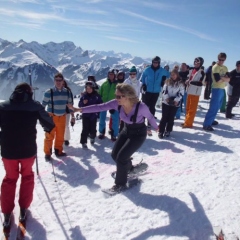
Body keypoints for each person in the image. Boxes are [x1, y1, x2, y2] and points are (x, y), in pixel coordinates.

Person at [68, 83, 158, 193]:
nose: (116, 99)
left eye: (119, 96)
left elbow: (150, 117)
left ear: (127, 96)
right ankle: (128, 169)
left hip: (138, 134)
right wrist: (80, 109)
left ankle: (120, 184)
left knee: (121, 157)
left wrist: (156, 127)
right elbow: (100, 107)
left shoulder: (141, 107)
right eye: (116, 96)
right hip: (126, 130)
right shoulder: (117, 104)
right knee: (115, 155)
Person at [0, 83, 54, 229]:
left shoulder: (3, 106)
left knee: (10, 178)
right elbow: (49, 124)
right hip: (28, 149)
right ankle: (23, 208)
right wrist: (45, 126)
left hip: (8, 150)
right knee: (27, 176)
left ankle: (6, 211)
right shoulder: (35, 106)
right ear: (29, 93)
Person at [42, 72, 74, 161]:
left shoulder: (67, 92)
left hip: (62, 116)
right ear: (54, 81)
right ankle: (47, 153)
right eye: (57, 80)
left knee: (60, 136)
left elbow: (70, 105)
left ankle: (58, 151)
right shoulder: (49, 92)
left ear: (63, 81)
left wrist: (73, 116)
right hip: (51, 116)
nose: (58, 82)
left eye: (60, 80)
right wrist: (43, 118)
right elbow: (43, 105)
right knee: (49, 136)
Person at [140, 56, 170, 134]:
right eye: (154, 62)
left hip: (156, 91)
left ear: (159, 63)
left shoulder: (162, 70)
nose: (155, 64)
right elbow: (143, 76)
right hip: (148, 91)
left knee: (152, 107)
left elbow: (169, 75)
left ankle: (149, 123)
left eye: (156, 62)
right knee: (145, 107)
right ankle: (142, 122)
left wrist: (164, 81)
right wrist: (143, 84)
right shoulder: (148, 69)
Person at [203, 53, 230, 131]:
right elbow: (217, 80)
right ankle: (207, 124)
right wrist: (224, 78)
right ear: (218, 59)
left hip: (222, 88)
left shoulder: (225, 68)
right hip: (216, 88)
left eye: (223, 60)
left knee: (218, 106)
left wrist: (223, 78)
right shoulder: (215, 67)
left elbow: (229, 79)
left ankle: (211, 120)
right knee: (213, 107)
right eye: (220, 59)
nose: (221, 61)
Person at [158, 70, 184, 138]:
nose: (173, 76)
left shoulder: (180, 83)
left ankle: (168, 130)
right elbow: (164, 91)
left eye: (174, 75)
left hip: (175, 103)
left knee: (171, 117)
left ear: (177, 75)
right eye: (172, 75)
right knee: (164, 117)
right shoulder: (167, 82)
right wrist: (166, 98)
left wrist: (176, 100)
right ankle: (161, 131)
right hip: (166, 102)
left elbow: (181, 93)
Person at [182, 57, 205, 128]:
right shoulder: (192, 70)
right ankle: (186, 121)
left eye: (198, 62)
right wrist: (187, 81)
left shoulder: (202, 72)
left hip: (195, 92)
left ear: (201, 63)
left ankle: (188, 123)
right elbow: (189, 78)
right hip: (189, 91)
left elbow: (201, 83)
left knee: (192, 109)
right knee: (188, 108)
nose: (196, 63)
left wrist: (191, 82)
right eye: (195, 61)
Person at [78, 81, 103, 148]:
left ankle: (92, 137)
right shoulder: (84, 96)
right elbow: (80, 105)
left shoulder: (97, 96)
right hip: (85, 115)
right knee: (85, 129)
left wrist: (97, 113)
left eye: (90, 88)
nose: (88, 90)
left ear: (93, 88)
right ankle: (83, 142)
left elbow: (100, 105)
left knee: (93, 129)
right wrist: (83, 103)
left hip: (93, 116)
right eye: (87, 88)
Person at [98, 69, 119, 141]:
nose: (111, 75)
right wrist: (100, 101)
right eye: (110, 74)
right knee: (102, 118)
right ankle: (102, 132)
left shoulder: (117, 85)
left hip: (113, 104)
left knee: (115, 119)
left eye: (112, 74)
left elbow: (119, 95)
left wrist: (117, 104)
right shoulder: (104, 84)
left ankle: (114, 135)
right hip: (104, 103)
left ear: (115, 75)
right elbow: (100, 94)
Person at [63, 80, 75, 146]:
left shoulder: (68, 92)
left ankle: (66, 139)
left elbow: (71, 104)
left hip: (67, 111)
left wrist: (72, 115)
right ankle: (60, 138)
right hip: (58, 112)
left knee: (66, 126)